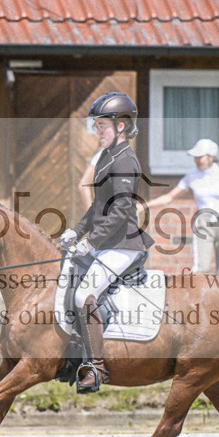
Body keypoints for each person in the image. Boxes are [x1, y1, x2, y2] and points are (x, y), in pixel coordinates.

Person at [59, 92, 154, 392]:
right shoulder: (105, 158)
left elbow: (121, 210)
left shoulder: (126, 161)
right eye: (96, 125)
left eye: (102, 125)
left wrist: (92, 241)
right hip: (106, 243)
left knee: (83, 295)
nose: (97, 131)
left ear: (122, 126)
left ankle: (97, 368)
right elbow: (99, 206)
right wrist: (76, 231)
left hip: (123, 246)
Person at [145, 138, 219, 275]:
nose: (197, 160)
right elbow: (169, 197)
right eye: (195, 157)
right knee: (201, 269)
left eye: (200, 157)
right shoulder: (191, 177)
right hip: (204, 222)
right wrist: (145, 205)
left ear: (211, 157)